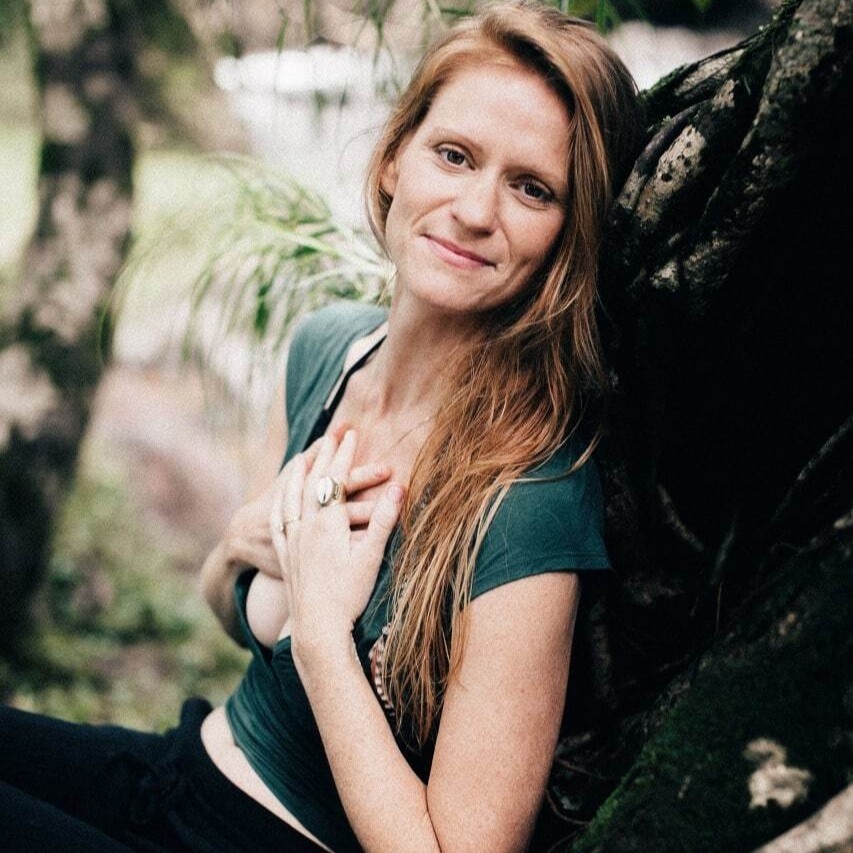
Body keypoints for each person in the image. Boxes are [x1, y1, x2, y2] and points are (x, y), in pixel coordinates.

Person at [0, 1, 643, 850]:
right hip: (178, 773)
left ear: (570, 232)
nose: (475, 210)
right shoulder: (326, 350)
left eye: (532, 188)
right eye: (454, 155)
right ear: (394, 158)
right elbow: (238, 610)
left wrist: (325, 637)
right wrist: (237, 548)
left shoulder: (528, 498)